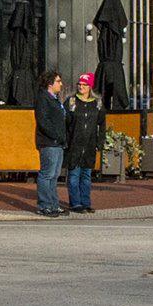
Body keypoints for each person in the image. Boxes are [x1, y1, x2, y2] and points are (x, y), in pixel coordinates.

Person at [64, 71, 105, 213]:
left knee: (86, 175)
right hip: (74, 144)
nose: (81, 87)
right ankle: (75, 203)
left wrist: (100, 142)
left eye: (84, 85)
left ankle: (86, 202)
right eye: (79, 84)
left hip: (89, 145)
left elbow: (102, 124)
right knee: (74, 174)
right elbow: (65, 123)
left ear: (90, 87)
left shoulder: (97, 103)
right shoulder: (71, 102)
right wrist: (66, 141)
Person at [34, 69, 67, 217]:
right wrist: (55, 136)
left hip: (58, 143)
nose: (61, 84)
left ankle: (54, 204)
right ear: (50, 84)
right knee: (47, 174)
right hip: (49, 142)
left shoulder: (54, 99)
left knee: (54, 175)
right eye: (58, 81)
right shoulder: (43, 98)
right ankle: (44, 205)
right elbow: (43, 121)